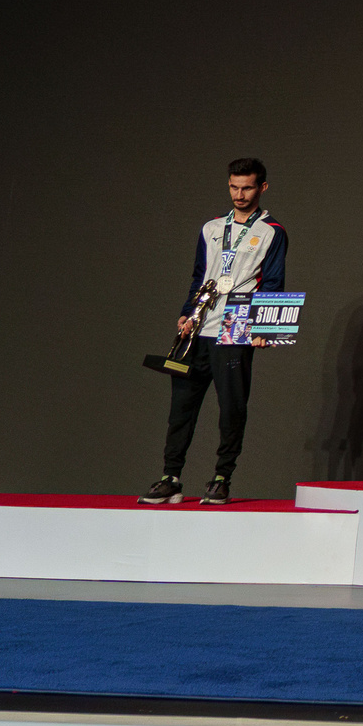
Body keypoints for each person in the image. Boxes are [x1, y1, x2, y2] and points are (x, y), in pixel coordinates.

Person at [142, 158, 287, 507]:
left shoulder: (272, 231)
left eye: (248, 187)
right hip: (200, 325)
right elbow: (199, 277)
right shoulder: (210, 228)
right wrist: (186, 314)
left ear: (262, 188)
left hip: (236, 323)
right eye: (234, 187)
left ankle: (222, 478)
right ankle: (170, 478)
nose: (240, 194)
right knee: (182, 407)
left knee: (231, 407)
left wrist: (266, 327)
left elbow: (274, 281)